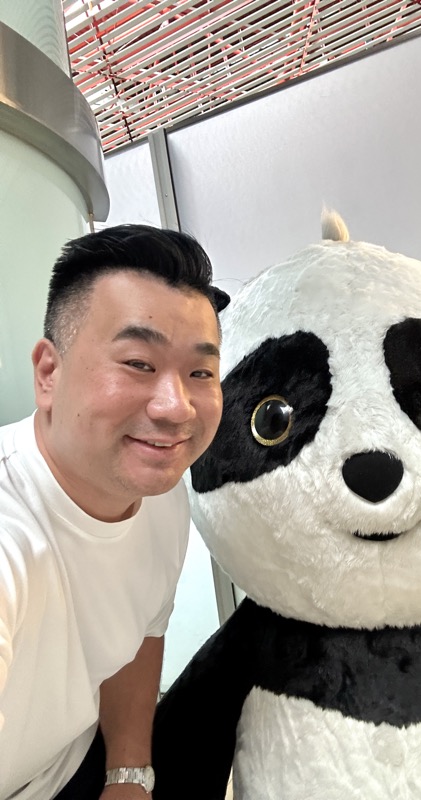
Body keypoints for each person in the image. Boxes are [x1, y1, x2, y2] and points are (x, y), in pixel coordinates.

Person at [0, 224, 229, 799]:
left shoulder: (161, 496)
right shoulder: (12, 532)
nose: (177, 408)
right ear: (49, 373)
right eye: (138, 363)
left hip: (75, 760)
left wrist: (128, 773)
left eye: (200, 373)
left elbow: (142, 629)